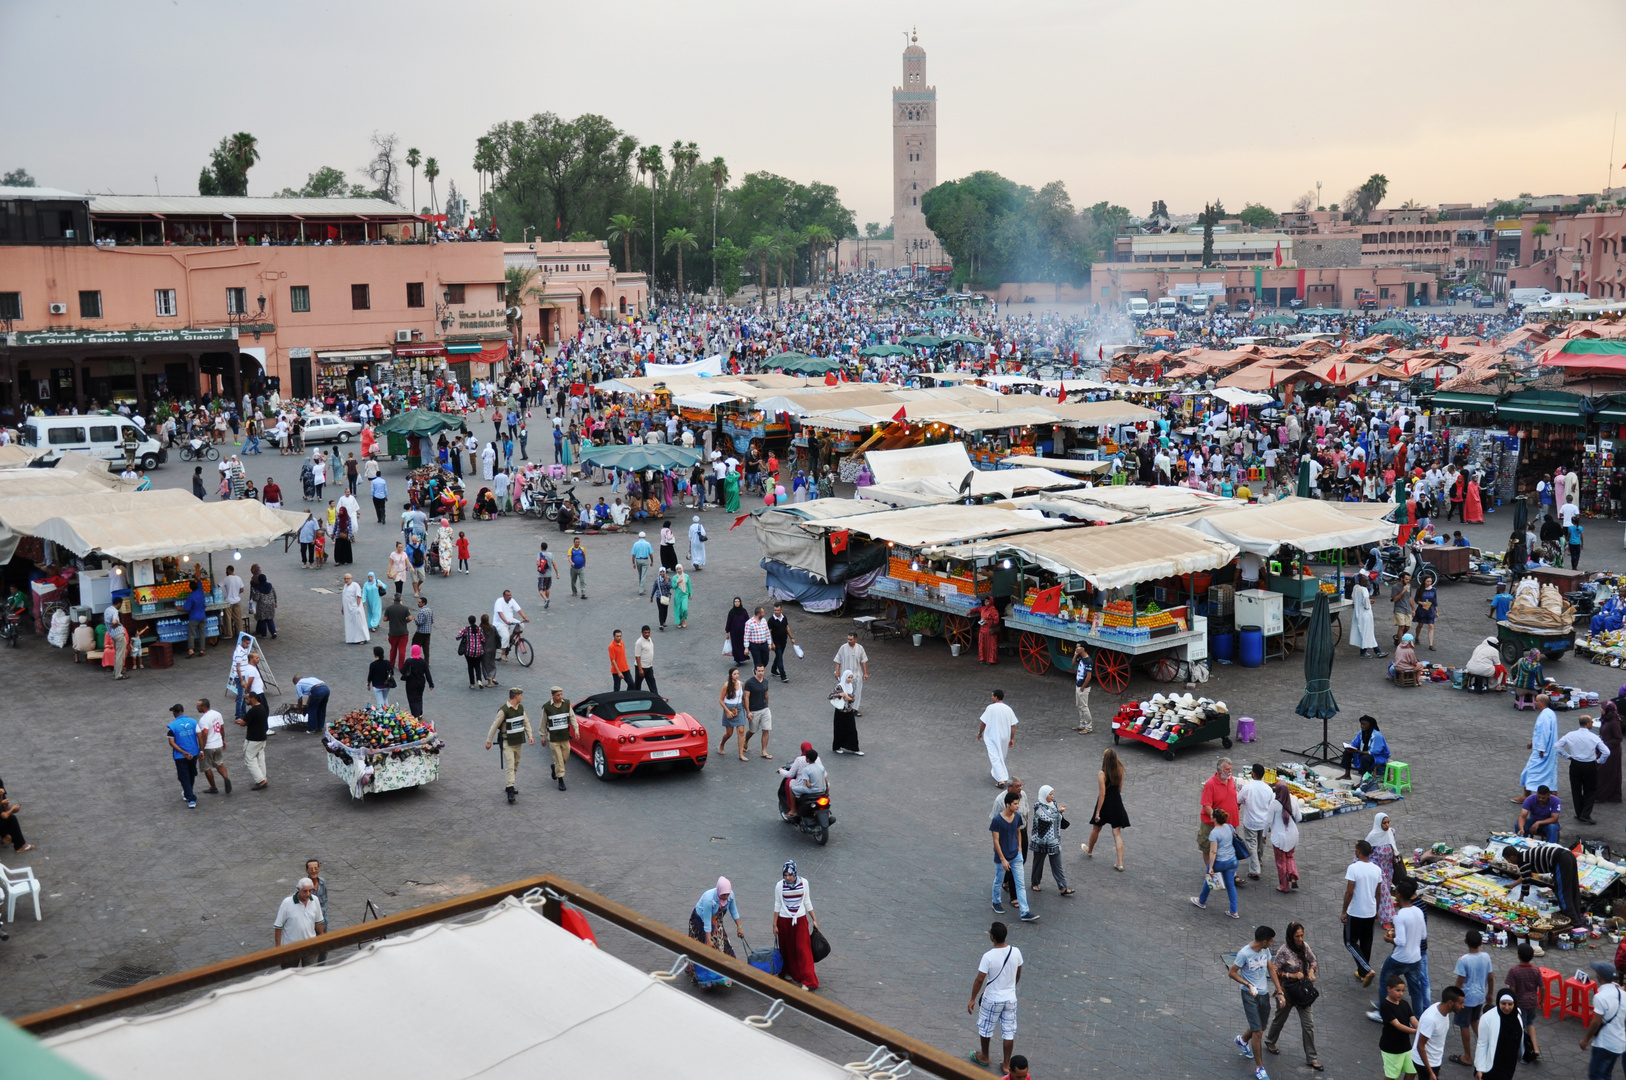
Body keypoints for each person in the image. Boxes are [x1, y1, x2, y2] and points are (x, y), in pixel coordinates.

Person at [1227, 923, 1284, 1080]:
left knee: (1262, 1026)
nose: (1272, 943)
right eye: (1271, 940)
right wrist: (1247, 984)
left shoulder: (1265, 950)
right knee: (1258, 1032)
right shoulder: (1244, 954)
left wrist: (1279, 991)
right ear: (1264, 941)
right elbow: (1232, 973)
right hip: (1249, 995)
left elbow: (1271, 969)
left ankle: (1243, 1040)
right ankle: (1260, 1067)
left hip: (1263, 994)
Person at [968, 921, 1024, 1074]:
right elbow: (1018, 975)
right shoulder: (1016, 952)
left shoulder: (988, 956)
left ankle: (985, 1057)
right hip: (1010, 998)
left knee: (986, 1028)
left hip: (992, 998)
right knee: (1008, 1031)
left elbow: (980, 979)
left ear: (992, 937)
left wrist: (973, 998)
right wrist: (1010, 988)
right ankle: (1006, 1065)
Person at [1263, 921, 1320, 1070]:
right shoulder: (1283, 951)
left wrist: (1311, 971)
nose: (1300, 939)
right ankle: (1270, 1041)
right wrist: (1292, 974)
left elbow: (1313, 960)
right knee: (1280, 1019)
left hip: (1302, 993)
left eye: (1302, 935)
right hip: (1286, 992)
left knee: (1308, 1025)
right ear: (1290, 936)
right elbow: (1274, 971)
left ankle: (1312, 1058)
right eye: (1297, 936)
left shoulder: (1304, 947)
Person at [1375, 879, 1431, 1021]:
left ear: (1398, 894)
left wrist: (1389, 939)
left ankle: (1385, 1013)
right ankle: (1418, 1017)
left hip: (1399, 958)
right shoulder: (1418, 911)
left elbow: (1400, 941)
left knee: (1384, 982)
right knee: (1416, 990)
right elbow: (1423, 935)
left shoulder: (1399, 916)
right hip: (1416, 958)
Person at [1503, 840, 1586, 926]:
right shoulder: (1524, 856)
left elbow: (1526, 881)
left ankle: (1575, 923)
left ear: (1512, 857)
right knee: (1573, 889)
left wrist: (1521, 899)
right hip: (1568, 856)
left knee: (1563, 894)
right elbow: (1525, 875)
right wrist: (1513, 885)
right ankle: (1577, 917)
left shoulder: (1522, 861)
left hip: (1561, 860)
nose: (1508, 862)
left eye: (1508, 859)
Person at [772, 860, 819, 991]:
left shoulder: (804, 883)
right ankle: (786, 971)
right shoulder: (779, 886)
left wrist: (814, 919)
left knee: (803, 949)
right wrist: (774, 924)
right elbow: (777, 905)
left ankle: (807, 979)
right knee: (786, 949)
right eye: (785, 875)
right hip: (784, 920)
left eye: (790, 875)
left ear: (795, 873)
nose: (788, 878)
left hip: (800, 920)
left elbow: (807, 901)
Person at [1451, 929, 1494, 1068]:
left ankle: (1468, 1056)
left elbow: (1460, 981)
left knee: (1464, 1025)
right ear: (1481, 943)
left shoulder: (1463, 960)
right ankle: (1487, 1049)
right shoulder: (1486, 957)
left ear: (1465, 942)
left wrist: (1454, 998)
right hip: (1480, 996)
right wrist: (1490, 994)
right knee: (1475, 1021)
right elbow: (1491, 978)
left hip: (1466, 998)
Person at [991, 790, 1037, 922]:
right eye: (1015, 804)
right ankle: (996, 901)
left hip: (1016, 855)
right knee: (999, 880)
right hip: (1003, 857)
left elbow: (1018, 832)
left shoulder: (1016, 817)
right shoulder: (997, 820)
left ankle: (1024, 911)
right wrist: (1002, 859)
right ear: (1007, 805)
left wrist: (1020, 848)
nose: (1018, 806)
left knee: (1020, 884)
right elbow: (996, 841)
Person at [1083, 747, 1131, 871]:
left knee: (1096, 828)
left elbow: (1102, 793)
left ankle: (1090, 850)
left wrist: (1098, 811)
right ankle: (1120, 863)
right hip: (1116, 802)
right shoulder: (1120, 770)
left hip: (1105, 804)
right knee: (1117, 833)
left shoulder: (1102, 773)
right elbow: (1120, 789)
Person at [484, 687, 534, 804]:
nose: (522, 697)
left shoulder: (521, 708)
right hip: (507, 742)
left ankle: (509, 784)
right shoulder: (504, 710)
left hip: (518, 741)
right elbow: (495, 726)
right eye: (521, 695)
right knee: (510, 765)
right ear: (516, 696)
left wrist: (530, 735)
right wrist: (489, 741)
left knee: (516, 764)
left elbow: (526, 722)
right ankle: (510, 789)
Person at [1557, 714, 1609, 824]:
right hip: (1589, 765)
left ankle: (1579, 812)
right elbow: (1606, 752)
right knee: (1590, 790)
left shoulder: (1571, 735)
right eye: (1591, 722)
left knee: (1576, 789)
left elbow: (1557, 746)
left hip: (1575, 764)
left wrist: (1567, 756)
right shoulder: (1594, 737)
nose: (1592, 723)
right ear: (1587, 724)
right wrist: (1599, 761)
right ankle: (1585, 814)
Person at [1193, 807, 1240, 917]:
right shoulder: (1229, 827)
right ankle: (1234, 911)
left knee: (1209, 879)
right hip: (1232, 860)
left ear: (1214, 819)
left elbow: (1213, 851)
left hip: (1220, 861)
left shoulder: (1214, 833)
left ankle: (1202, 901)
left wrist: (1211, 867)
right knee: (1230, 886)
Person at [1580, 967, 1625, 1080]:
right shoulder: (1623, 994)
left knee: (1596, 1075)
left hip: (1605, 1044)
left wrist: (1585, 1040)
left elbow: (1596, 1022)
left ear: (1600, 977)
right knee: (1606, 1074)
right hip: (1619, 1043)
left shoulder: (1600, 997)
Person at [1027, 784, 1072, 896]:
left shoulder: (1053, 804)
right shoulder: (1038, 807)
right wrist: (1058, 812)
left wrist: (1058, 812)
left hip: (1053, 840)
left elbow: (1056, 818)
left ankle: (1063, 886)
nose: (1052, 796)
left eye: (1053, 794)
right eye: (1050, 794)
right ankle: (1035, 883)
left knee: (1057, 864)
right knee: (1038, 864)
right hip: (1041, 841)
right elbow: (1047, 817)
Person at [1413, 987, 1466, 1080]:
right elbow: (1420, 1046)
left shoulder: (1444, 1009)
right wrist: (1430, 1072)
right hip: (1425, 1063)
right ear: (1450, 1003)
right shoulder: (1431, 1019)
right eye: (1460, 1003)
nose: (1463, 1006)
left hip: (1435, 1060)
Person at [690, 877, 744, 966]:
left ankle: (729, 969)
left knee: (723, 942)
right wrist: (708, 940)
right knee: (702, 946)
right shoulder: (709, 899)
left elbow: (734, 911)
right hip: (700, 919)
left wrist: (739, 927)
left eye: (728, 894)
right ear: (719, 891)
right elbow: (707, 922)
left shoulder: (730, 896)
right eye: (724, 894)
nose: (726, 897)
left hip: (716, 918)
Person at [1200, 757, 1241, 875]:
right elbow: (1206, 805)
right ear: (1219, 771)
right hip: (1213, 824)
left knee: (1229, 848)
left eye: (1230, 769)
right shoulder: (1210, 784)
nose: (1230, 771)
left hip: (1230, 823)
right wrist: (1216, 818)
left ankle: (1232, 874)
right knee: (1208, 848)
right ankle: (1212, 872)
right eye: (1227, 769)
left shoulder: (1231, 780)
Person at [1238, 763, 1277, 884]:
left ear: (1253, 773)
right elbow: (1272, 806)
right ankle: (1259, 860)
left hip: (1251, 822)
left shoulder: (1247, 788)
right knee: (1261, 842)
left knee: (1251, 845)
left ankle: (1255, 869)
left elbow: (1238, 800)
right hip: (1264, 822)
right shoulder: (1268, 789)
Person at [1505, 941, 1542, 1064]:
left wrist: (1511, 1004)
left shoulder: (1514, 971)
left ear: (1518, 956)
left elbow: (1512, 990)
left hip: (1521, 1004)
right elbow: (1543, 987)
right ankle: (1536, 1049)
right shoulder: (1536, 970)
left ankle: (1524, 1052)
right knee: (1530, 1024)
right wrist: (1542, 1000)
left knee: (1520, 1028)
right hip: (1532, 1002)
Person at [1378, 973, 1420, 1080]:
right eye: (1398, 990)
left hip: (1405, 1046)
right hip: (1391, 1047)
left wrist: (1420, 1027)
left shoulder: (1404, 1003)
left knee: (1412, 1070)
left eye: (1403, 991)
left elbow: (1412, 1018)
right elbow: (1397, 1025)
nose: (1401, 994)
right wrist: (1415, 1031)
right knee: (1391, 1076)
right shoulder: (1385, 1006)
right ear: (1389, 989)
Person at [1520, 695, 1559, 797]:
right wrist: (1533, 741)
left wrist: (1541, 749)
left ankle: (1527, 795)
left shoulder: (1545, 716)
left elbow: (1544, 733)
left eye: (1536, 701)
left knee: (1530, 771)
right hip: (1545, 749)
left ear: (1542, 703)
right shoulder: (1549, 713)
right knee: (1548, 774)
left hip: (1542, 751)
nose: (1534, 703)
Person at [272, 878, 326, 951]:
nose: (308, 894)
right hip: (290, 947)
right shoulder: (287, 903)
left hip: (310, 945)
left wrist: (322, 938)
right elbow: (278, 926)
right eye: (305, 891)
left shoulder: (315, 900)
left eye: (310, 891)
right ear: (298, 889)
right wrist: (278, 947)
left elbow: (318, 921)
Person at [979, 690, 1019, 787]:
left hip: (992, 736)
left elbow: (983, 722)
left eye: (992, 696)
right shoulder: (1008, 709)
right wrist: (1012, 738)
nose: (991, 697)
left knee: (994, 756)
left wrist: (980, 733)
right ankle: (996, 772)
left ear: (996, 697)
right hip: (1005, 736)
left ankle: (1001, 779)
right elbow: (1013, 725)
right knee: (1001, 755)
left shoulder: (990, 708)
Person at [540, 685, 577, 790]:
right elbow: (543, 722)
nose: (560, 697)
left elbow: (572, 717)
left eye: (561, 694)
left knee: (565, 757)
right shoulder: (547, 707)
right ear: (552, 696)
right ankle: (561, 780)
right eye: (558, 695)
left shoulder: (566, 704)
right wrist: (542, 736)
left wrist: (576, 729)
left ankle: (555, 767)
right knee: (559, 760)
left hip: (565, 737)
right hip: (554, 738)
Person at [1269, 779, 1301, 893]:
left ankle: (1284, 886)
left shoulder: (1274, 803)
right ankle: (1293, 876)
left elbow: (1268, 821)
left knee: (1281, 862)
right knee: (1290, 856)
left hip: (1279, 837)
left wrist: (1264, 835)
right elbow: (1299, 818)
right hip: (1292, 834)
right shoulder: (1294, 800)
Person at [166, 703, 201, 808]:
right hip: (194, 753)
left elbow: (171, 743)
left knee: (184, 776)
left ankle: (191, 798)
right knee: (191, 773)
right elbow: (200, 736)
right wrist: (201, 750)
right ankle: (188, 793)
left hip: (180, 756)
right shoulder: (193, 722)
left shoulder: (172, 726)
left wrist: (183, 752)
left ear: (175, 713)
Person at [194, 698, 231, 795]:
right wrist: (223, 740)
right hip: (218, 743)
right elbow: (222, 728)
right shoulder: (217, 714)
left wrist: (201, 750)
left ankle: (213, 787)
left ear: (204, 706)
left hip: (208, 746)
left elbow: (204, 734)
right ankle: (226, 778)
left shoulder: (203, 719)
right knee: (219, 764)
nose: (197, 707)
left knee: (206, 767)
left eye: (198, 706)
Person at [1339, 715, 1392, 780]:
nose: (1362, 726)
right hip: (1363, 752)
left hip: (1378, 756)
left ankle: (1363, 779)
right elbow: (1354, 743)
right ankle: (1347, 774)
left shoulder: (1376, 736)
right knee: (1347, 752)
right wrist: (1349, 747)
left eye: (1364, 724)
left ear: (1370, 725)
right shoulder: (1361, 733)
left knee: (1365, 758)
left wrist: (1358, 751)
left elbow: (1373, 752)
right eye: (1361, 724)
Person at [237, 688, 270, 790]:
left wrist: (240, 721)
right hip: (262, 737)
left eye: (246, 699)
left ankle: (260, 780)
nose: (245, 701)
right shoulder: (262, 708)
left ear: (252, 699)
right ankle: (263, 777)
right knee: (260, 758)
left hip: (254, 738)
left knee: (249, 758)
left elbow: (244, 723)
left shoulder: (252, 711)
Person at [741, 663, 772, 760]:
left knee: (766, 729)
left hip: (765, 709)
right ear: (755, 671)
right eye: (759, 671)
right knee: (752, 730)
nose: (760, 673)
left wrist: (767, 705)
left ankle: (764, 751)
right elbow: (746, 697)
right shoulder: (750, 682)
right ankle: (746, 740)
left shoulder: (765, 681)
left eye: (762, 671)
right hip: (754, 710)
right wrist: (748, 711)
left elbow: (766, 694)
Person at [833, 632, 869, 714]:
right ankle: (845, 707)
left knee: (857, 692)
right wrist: (837, 672)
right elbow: (838, 660)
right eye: (848, 639)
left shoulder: (860, 648)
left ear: (856, 640)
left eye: (851, 639)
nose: (849, 641)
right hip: (845, 676)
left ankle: (854, 709)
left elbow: (863, 661)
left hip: (857, 675)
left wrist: (866, 673)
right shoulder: (843, 648)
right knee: (845, 692)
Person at [831, 668, 862, 755]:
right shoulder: (840, 686)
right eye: (848, 677)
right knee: (839, 729)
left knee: (852, 729)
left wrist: (849, 699)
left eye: (851, 677)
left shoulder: (851, 686)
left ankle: (854, 748)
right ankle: (837, 746)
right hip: (840, 712)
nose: (850, 679)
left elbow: (853, 698)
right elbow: (830, 696)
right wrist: (840, 694)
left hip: (848, 711)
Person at [717, 667, 745, 760]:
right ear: (730, 675)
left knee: (741, 732)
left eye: (738, 673)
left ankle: (741, 754)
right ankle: (722, 744)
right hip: (729, 708)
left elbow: (744, 698)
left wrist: (747, 710)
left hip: (739, 708)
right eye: (734, 674)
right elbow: (721, 700)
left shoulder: (741, 684)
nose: (737, 675)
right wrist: (727, 711)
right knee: (729, 733)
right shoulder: (726, 685)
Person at [400, 644, 433, 717]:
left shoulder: (409, 661)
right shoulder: (423, 662)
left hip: (411, 682)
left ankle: (415, 715)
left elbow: (402, 671)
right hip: (421, 682)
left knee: (412, 698)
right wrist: (431, 684)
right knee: (419, 697)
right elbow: (427, 673)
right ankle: (420, 713)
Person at [1601, 701, 1624, 804]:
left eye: (1602, 708)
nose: (1601, 710)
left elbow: (1618, 738)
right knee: (1604, 772)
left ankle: (1608, 795)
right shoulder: (1606, 720)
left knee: (1610, 773)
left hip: (1612, 751)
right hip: (1605, 749)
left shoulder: (1613, 722)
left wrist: (1605, 744)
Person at [383, 590, 412, 672]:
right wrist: (405, 621)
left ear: (393, 599)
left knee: (393, 649)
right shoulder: (405, 608)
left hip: (393, 632)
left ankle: (391, 664)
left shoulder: (389, 608)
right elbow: (410, 618)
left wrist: (391, 618)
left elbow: (385, 619)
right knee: (402, 650)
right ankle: (401, 666)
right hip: (403, 632)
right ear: (401, 600)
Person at [456, 615, 486, 690]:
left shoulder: (466, 629)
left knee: (470, 667)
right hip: (478, 651)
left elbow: (457, 637)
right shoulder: (479, 629)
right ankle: (479, 680)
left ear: (469, 621)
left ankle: (472, 684)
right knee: (478, 666)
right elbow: (483, 640)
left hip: (469, 651)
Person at [182, 578, 209, 658]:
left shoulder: (191, 596)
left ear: (190, 588)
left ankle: (191, 650)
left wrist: (179, 608)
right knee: (202, 633)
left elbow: (187, 608)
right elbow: (199, 580)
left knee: (191, 634)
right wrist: (197, 570)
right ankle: (201, 650)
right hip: (202, 616)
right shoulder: (201, 591)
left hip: (194, 617)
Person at [1072, 641, 1094, 733]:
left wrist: (1083, 687)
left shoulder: (1088, 661)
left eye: (1078, 648)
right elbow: (1073, 664)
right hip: (1078, 684)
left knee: (1084, 707)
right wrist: (1075, 655)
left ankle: (1088, 727)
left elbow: (1089, 676)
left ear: (1083, 649)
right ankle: (1082, 724)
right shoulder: (1080, 657)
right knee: (1079, 706)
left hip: (1083, 687)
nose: (1076, 649)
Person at [632, 624, 657, 694]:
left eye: (648, 632)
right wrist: (640, 669)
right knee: (638, 685)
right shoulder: (639, 643)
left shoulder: (649, 639)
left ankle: (656, 696)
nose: (647, 634)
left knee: (652, 682)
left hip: (649, 666)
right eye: (645, 633)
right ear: (642, 633)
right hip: (641, 667)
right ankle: (636, 697)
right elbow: (637, 656)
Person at [252, 573, 278, 638]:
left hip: (262, 606)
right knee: (270, 619)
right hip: (271, 605)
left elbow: (256, 598)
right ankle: (273, 632)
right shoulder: (270, 586)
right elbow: (274, 595)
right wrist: (275, 602)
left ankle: (263, 635)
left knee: (262, 620)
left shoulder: (259, 588)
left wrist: (253, 595)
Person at [1391, 571, 1414, 646]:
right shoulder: (1395, 587)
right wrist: (1403, 591)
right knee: (1402, 626)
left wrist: (1413, 609)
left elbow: (1410, 597)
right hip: (1399, 609)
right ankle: (1401, 644)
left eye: (1409, 579)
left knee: (1407, 627)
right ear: (1401, 578)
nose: (1408, 581)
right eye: (1406, 579)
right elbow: (1394, 599)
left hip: (1407, 609)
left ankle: (1397, 637)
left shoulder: (1409, 586)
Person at [724, 596, 749, 664]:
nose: (737, 603)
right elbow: (728, 622)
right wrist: (727, 632)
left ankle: (742, 658)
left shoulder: (743, 611)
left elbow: (748, 621)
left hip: (742, 632)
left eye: (738, 602)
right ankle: (737, 659)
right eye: (735, 602)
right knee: (735, 645)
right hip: (734, 633)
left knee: (742, 645)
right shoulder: (731, 612)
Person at [977, 595, 1001, 664]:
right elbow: (977, 609)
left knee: (991, 646)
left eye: (987, 601)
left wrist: (988, 622)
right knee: (982, 645)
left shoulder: (994, 611)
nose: (986, 602)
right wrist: (971, 611)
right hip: (982, 630)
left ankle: (991, 660)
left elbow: (996, 621)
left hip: (989, 631)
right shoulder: (983, 609)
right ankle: (982, 658)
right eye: (985, 601)